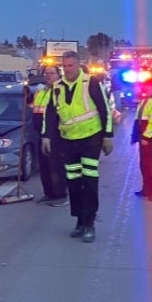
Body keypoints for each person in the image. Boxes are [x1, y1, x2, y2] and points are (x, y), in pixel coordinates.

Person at [42, 51, 113, 243]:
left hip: (91, 138)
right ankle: (80, 221)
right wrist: (46, 136)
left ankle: (90, 223)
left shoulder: (91, 82)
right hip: (69, 140)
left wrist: (107, 135)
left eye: (70, 66)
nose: (67, 70)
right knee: (73, 181)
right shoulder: (57, 87)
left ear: (78, 65)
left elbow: (104, 109)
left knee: (89, 180)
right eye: (64, 66)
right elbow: (49, 114)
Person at [33, 65, 68, 206]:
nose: (48, 76)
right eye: (46, 73)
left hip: (55, 133)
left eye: (51, 73)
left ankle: (60, 194)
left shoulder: (60, 90)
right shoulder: (40, 91)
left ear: (58, 74)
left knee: (56, 165)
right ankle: (49, 193)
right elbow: (34, 109)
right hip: (39, 133)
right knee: (44, 165)